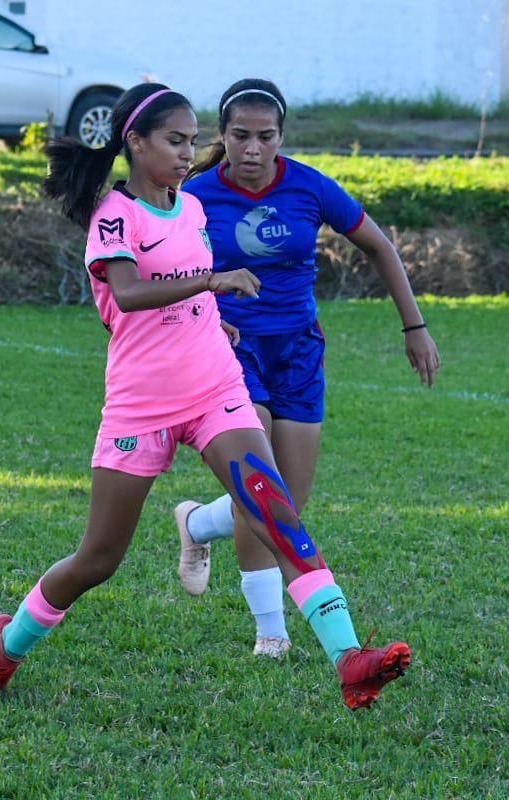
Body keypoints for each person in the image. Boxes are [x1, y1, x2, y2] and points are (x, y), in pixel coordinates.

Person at [0, 83, 411, 710]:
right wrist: (213, 280)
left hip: (214, 387)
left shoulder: (191, 209)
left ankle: (349, 658)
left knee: (276, 511)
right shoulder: (115, 216)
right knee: (98, 558)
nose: (187, 153)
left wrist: (211, 315)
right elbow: (127, 294)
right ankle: (6, 645)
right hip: (140, 404)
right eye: (176, 141)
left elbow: (182, 293)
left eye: (191, 140)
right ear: (136, 142)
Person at [169, 78, 440, 660]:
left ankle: (196, 524)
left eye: (265, 137)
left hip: (300, 350)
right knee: (259, 482)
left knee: (285, 500)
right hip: (229, 349)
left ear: (281, 138)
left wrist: (413, 327)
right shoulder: (194, 197)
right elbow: (163, 269)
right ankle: (272, 630)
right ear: (223, 135)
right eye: (240, 135)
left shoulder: (309, 186)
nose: (252, 149)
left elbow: (381, 247)